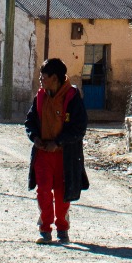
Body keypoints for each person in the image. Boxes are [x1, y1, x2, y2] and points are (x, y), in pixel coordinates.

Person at [23, 57, 89, 244]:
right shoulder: (40, 97)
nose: (41, 80)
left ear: (55, 78)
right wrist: (35, 137)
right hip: (43, 154)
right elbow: (30, 122)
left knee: (62, 193)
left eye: (43, 77)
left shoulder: (72, 97)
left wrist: (59, 142)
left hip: (64, 155)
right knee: (43, 191)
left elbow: (79, 128)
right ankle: (45, 229)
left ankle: (62, 228)